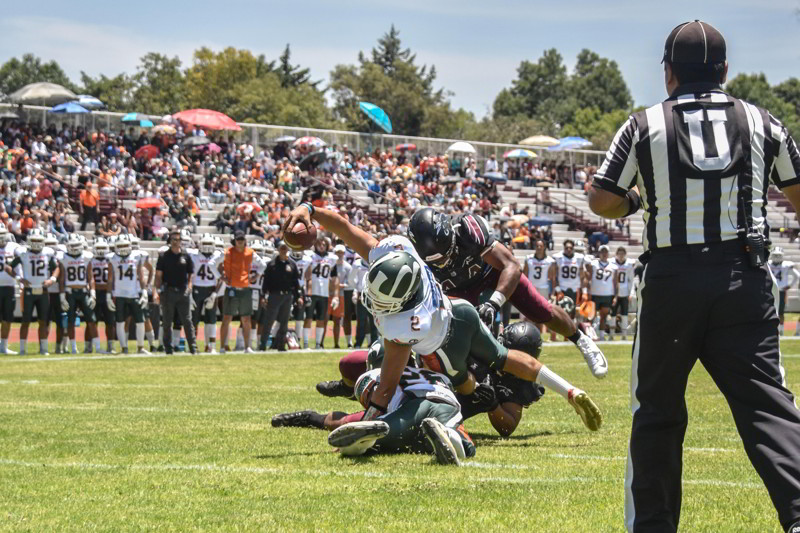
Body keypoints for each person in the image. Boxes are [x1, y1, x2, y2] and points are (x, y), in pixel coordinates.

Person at [587, 20, 800, 533]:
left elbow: (601, 198)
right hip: (742, 277)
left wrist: (637, 200)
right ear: (724, 70)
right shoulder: (763, 121)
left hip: (673, 281)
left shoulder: (643, 125)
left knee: (657, 411)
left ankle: (654, 526)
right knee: (767, 405)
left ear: (669, 73)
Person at [284, 203, 602, 432]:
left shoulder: (406, 316)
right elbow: (503, 361)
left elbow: (511, 268)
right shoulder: (408, 261)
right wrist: (310, 209)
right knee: (365, 369)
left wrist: (372, 412)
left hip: (459, 317)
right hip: (456, 314)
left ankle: (581, 338)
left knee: (397, 388)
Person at [407, 207, 607, 378]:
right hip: (457, 290)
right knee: (457, 339)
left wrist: (494, 302)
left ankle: (581, 340)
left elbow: (511, 265)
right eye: (437, 261)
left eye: (446, 255)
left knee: (540, 310)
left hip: (493, 274)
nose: (444, 262)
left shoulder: (467, 228)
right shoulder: (413, 256)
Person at [6, 229, 59, 355]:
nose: (36, 243)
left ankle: (44, 349)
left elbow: (57, 268)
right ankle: (23, 349)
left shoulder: (47, 253)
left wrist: (52, 279)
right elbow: (8, 267)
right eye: (34, 240)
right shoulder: (23, 253)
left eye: (38, 240)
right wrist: (19, 278)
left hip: (43, 291)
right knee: (25, 321)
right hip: (29, 290)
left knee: (43, 321)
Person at [154, 228, 197, 355]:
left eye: (178, 239)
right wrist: (157, 291)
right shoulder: (164, 257)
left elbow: (191, 274)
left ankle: (193, 347)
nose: (176, 242)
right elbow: (158, 275)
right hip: (168, 291)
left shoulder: (186, 256)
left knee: (187, 321)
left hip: (183, 291)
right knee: (167, 321)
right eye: (173, 239)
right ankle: (168, 348)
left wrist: (189, 287)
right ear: (170, 240)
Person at [107, 235, 148, 354]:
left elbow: (141, 276)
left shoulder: (136, 256)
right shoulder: (112, 258)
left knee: (140, 321)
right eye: (120, 246)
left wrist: (144, 291)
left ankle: (140, 347)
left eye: (125, 245)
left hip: (134, 294)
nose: (123, 248)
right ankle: (124, 347)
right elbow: (110, 279)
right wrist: (108, 296)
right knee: (120, 322)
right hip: (119, 294)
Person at [59, 233, 98, 355]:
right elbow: (62, 279)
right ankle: (74, 348)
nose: (75, 248)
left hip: (83, 292)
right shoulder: (63, 258)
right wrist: (62, 297)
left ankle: (97, 347)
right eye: (72, 245)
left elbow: (91, 277)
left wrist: (93, 294)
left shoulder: (86, 257)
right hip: (70, 292)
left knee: (92, 320)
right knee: (70, 321)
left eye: (77, 245)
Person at [259, 241, 302, 351]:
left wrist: (299, 296)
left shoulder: (292, 264)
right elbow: (266, 281)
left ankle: (281, 345)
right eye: (282, 248)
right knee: (269, 320)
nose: (284, 250)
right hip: (274, 295)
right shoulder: (272, 264)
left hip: (288, 296)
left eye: (285, 248)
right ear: (278, 250)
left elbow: (296, 282)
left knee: (284, 321)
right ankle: (263, 344)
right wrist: (263, 296)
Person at [217, 231, 254, 353]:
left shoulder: (250, 252)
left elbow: (262, 265)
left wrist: (256, 276)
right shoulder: (227, 252)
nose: (240, 241)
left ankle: (247, 346)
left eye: (242, 239)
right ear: (234, 240)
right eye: (238, 239)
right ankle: (222, 347)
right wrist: (221, 276)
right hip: (231, 288)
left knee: (246, 319)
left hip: (245, 289)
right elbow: (213, 263)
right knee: (227, 318)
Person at [189, 233, 223, 353]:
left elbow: (222, 277)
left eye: (210, 244)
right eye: (205, 244)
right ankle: (193, 345)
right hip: (196, 289)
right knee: (194, 319)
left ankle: (211, 346)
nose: (208, 247)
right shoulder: (193, 255)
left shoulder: (218, 255)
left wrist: (215, 294)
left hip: (211, 289)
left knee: (212, 319)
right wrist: (189, 293)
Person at [305, 237, 338, 349]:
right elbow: (307, 275)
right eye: (320, 244)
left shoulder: (332, 258)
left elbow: (334, 278)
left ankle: (318, 344)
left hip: (324, 293)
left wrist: (336, 296)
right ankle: (305, 343)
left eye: (324, 244)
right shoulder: (310, 256)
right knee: (308, 317)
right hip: (312, 291)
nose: (322, 246)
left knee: (321, 319)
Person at [585, 245, 618, 341]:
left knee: (604, 316)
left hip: (607, 294)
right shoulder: (593, 264)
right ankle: (589, 335)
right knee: (591, 316)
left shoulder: (613, 266)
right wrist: (587, 291)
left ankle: (602, 335)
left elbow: (616, 283)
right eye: (602, 252)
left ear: (608, 253)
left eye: (605, 252)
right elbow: (589, 278)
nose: (604, 254)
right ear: (599, 253)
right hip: (594, 293)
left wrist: (615, 296)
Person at [767, 247, 800, 336]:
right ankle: (776, 330)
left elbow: (797, 276)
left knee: (780, 312)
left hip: (779, 291)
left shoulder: (786, 265)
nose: (777, 257)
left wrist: (789, 286)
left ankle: (780, 330)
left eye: (778, 255)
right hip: (771, 289)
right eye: (775, 255)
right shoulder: (768, 264)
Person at [0, 223, 21, 354]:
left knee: (7, 318)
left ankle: (3, 346)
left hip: (9, 287)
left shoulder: (13, 247)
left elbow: (24, 257)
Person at [611, 247, 636, 341]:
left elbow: (631, 280)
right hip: (614, 293)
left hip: (625, 292)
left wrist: (631, 293)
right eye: (619, 254)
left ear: (625, 254)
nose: (621, 256)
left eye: (622, 254)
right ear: (616, 254)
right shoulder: (612, 263)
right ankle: (612, 334)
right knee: (613, 314)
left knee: (624, 314)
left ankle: (624, 335)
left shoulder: (628, 264)